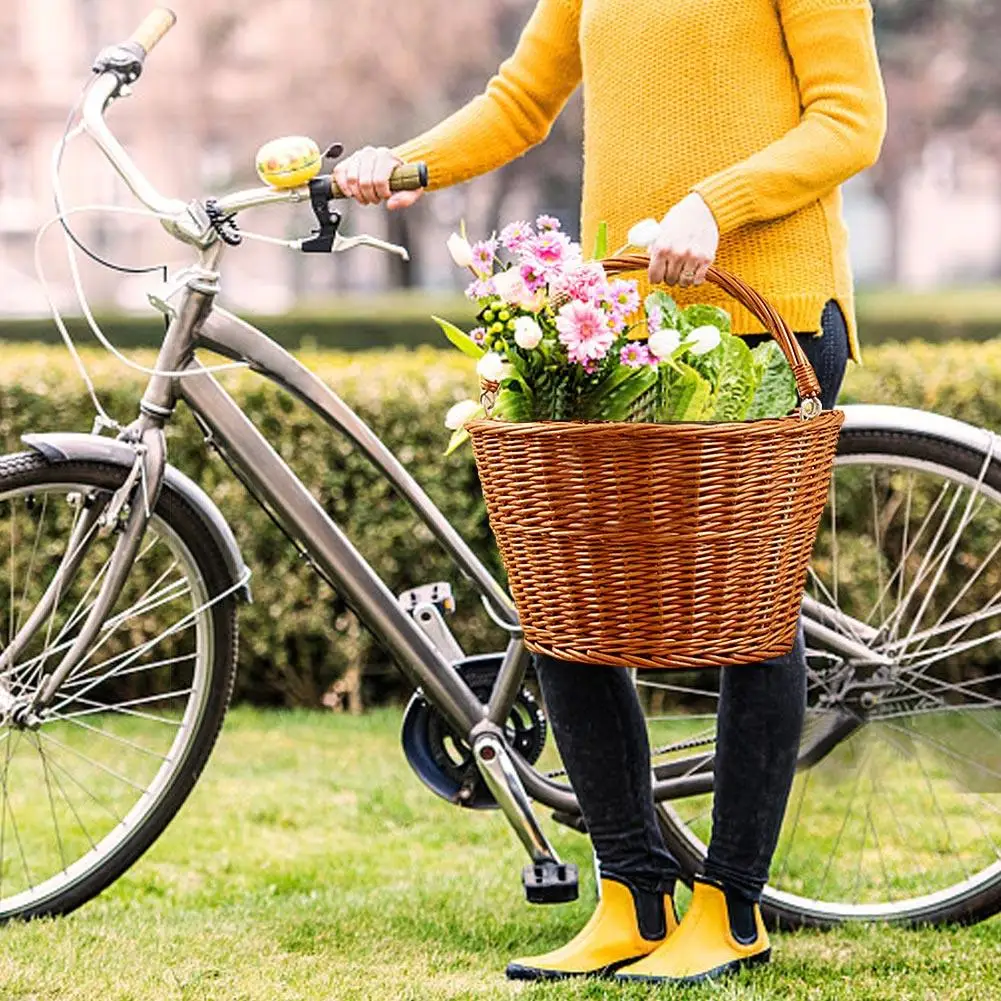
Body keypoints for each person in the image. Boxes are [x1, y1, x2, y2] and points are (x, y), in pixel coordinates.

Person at [335, 0, 886, 985]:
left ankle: (729, 904)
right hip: (622, 325)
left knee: (749, 611)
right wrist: (401, 163)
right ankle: (631, 893)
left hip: (771, 321)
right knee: (567, 591)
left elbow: (849, 119)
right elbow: (518, 101)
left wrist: (715, 202)